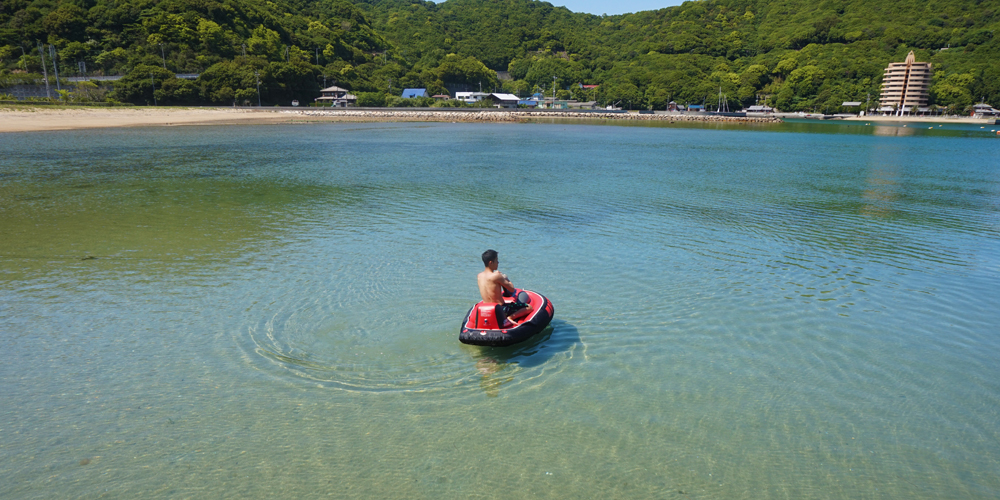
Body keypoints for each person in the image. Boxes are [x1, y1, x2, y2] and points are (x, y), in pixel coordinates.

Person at [478, 249, 532, 326]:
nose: (498, 262)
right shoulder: (497, 276)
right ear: (491, 262)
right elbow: (512, 289)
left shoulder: (479, 276)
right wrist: (505, 278)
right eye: (496, 260)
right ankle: (510, 318)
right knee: (529, 307)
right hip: (500, 309)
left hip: (486, 309)